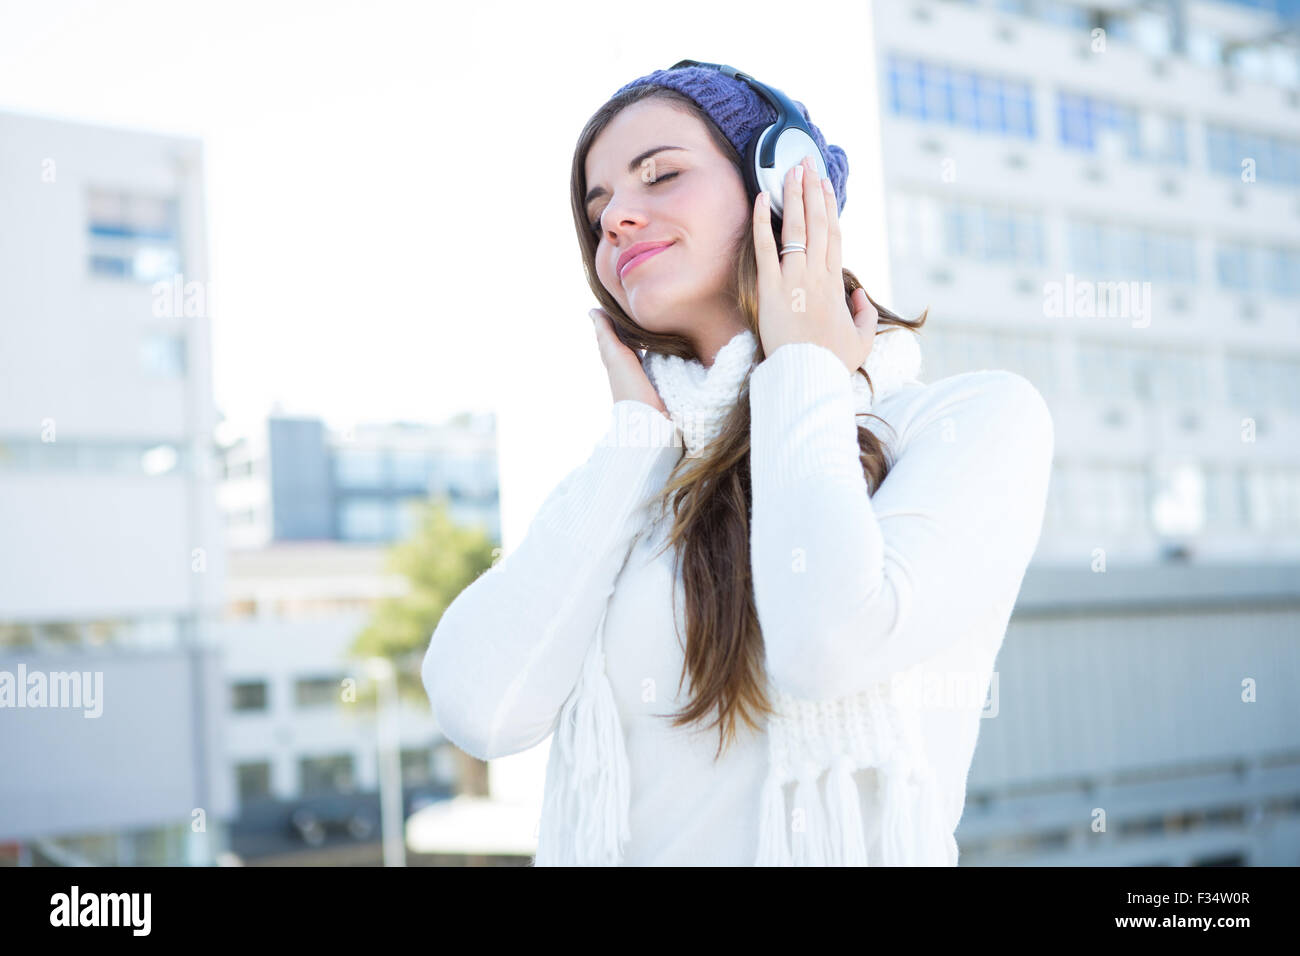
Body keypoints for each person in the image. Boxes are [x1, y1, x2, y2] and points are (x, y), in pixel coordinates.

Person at [422, 63, 1054, 866]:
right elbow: (480, 708)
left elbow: (824, 647)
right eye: (598, 205)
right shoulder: (639, 476)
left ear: (784, 184)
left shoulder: (967, 422)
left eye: (662, 174)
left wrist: (804, 372)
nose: (617, 216)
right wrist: (634, 447)